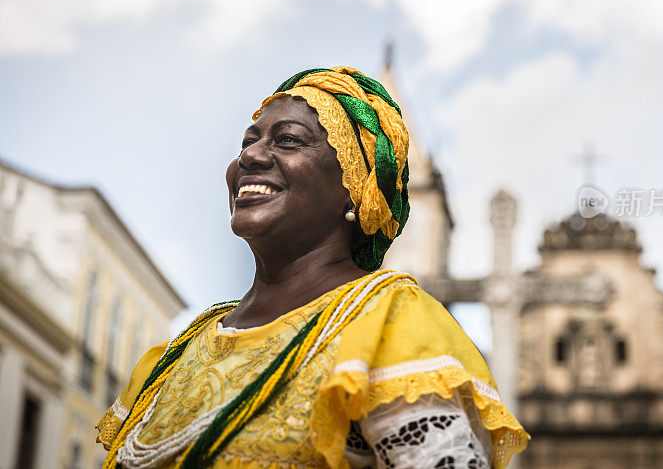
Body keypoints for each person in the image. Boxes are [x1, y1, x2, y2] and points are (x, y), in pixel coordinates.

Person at [96, 67, 528, 468]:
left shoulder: (392, 325)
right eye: (248, 141)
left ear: (354, 188)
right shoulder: (185, 345)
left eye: (287, 140)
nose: (251, 156)